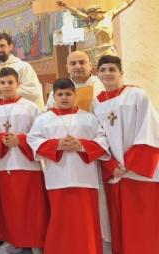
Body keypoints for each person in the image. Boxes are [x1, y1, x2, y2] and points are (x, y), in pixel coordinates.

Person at [28, 78, 110, 254]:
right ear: (54, 96)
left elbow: (103, 141)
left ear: (75, 95)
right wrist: (57, 145)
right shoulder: (44, 120)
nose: (64, 97)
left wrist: (81, 145)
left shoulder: (89, 118)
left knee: (86, 222)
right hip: (57, 178)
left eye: (68, 94)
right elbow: (32, 140)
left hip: (85, 179)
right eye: (60, 94)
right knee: (60, 220)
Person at [93, 55, 159, 254]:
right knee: (119, 226)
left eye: (112, 69)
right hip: (115, 174)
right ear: (97, 73)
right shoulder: (96, 103)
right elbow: (98, 136)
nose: (107, 73)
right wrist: (110, 164)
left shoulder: (137, 95)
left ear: (121, 73)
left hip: (139, 172)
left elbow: (150, 129)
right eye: (103, 69)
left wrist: (131, 162)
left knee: (143, 225)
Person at [0, 68, 48, 254]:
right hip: (3, 165)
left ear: (18, 84)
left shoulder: (30, 107)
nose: (6, 86)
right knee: (9, 207)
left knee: (32, 206)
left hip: (27, 164)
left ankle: (35, 242)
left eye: (10, 82)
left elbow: (40, 135)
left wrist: (20, 139)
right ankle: (13, 241)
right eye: (2, 83)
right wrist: (2, 138)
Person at [0, 32, 44, 110]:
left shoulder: (24, 67)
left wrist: (1, 88)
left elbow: (34, 93)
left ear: (11, 47)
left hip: (18, 113)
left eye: (2, 46)